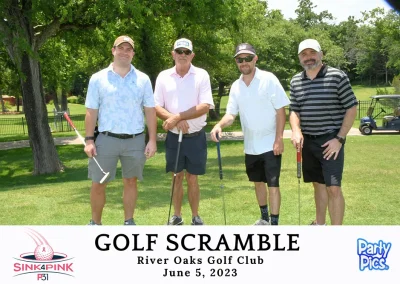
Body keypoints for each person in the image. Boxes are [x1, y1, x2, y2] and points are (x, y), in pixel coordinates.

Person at [210, 43, 290, 225]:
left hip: (270, 144)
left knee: (273, 185)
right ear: (236, 62)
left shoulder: (269, 79)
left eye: (247, 58)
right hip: (251, 146)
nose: (243, 62)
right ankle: (264, 219)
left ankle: (275, 224)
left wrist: (279, 139)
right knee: (258, 182)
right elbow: (231, 114)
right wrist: (219, 125)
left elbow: (280, 111)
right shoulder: (236, 86)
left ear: (255, 59)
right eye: (240, 59)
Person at [84, 35, 157, 225]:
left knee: (130, 181)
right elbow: (91, 111)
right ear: (113, 50)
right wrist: (89, 140)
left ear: (132, 53)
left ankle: (129, 222)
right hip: (106, 140)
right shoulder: (98, 79)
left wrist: (152, 140)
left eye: (129, 49)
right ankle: (95, 224)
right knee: (99, 182)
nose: (124, 52)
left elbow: (150, 111)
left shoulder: (143, 79)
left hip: (135, 139)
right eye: (121, 48)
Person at [289, 39, 358, 225]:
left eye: (312, 53)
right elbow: (294, 110)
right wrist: (296, 130)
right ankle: (320, 225)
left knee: (333, 188)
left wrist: (340, 138)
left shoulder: (337, 76)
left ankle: (336, 234)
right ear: (299, 58)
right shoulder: (296, 80)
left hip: (331, 141)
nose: (308, 57)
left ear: (321, 55)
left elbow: (351, 108)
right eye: (304, 54)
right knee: (318, 185)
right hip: (308, 142)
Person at [154, 38, 214, 225]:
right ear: (173, 54)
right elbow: (155, 106)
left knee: (193, 178)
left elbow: (205, 106)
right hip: (174, 136)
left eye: (186, 52)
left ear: (192, 55)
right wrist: (174, 121)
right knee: (177, 176)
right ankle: (177, 216)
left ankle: (195, 217)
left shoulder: (201, 75)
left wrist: (177, 117)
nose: (182, 55)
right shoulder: (163, 76)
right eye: (179, 51)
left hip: (195, 137)